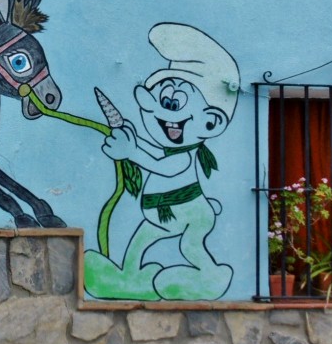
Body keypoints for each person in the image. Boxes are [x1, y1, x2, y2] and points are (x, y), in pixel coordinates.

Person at [84, 23, 239, 301]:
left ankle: (210, 273)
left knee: (191, 248)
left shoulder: (184, 156)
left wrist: (130, 152)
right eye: (161, 97)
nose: (161, 108)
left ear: (211, 122)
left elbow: (164, 167)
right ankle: (128, 276)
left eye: (175, 102)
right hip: (162, 214)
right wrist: (131, 142)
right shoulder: (167, 148)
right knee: (138, 244)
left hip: (191, 215)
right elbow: (153, 154)